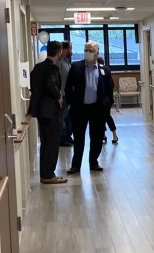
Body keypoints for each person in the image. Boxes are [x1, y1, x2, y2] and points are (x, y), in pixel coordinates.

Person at [64, 41, 114, 173]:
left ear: (97, 53)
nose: (87, 53)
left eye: (90, 50)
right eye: (86, 50)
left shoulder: (105, 70)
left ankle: (93, 162)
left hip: (98, 110)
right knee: (79, 138)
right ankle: (76, 165)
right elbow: (68, 88)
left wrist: (107, 106)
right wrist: (70, 104)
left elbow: (110, 90)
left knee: (97, 138)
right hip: (79, 109)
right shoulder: (76, 67)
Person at [27, 40, 67, 184]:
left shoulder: (37, 67)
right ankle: (49, 175)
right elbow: (51, 83)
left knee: (45, 142)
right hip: (50, 111)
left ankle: (45, 174)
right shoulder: (53, 68)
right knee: (52, 143)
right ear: (59, 52)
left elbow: (32, 84)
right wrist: (58, 96)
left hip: (40, 111)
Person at [97, 56, 118, 144]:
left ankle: (110, 135)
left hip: (104, 99)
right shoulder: (105, 70)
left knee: (104, 117)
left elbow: (109, 86)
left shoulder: (103, 71)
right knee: (104, 117)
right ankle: (108, 134)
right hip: (105, 99)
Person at [57, 41, 74, 146]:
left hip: (68, 95)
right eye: (69, 49)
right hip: (62, 95)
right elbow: (57, 80)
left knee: (68, 118)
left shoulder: (67, 62)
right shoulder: (59, 63)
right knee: (62, 117)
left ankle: (68, 136)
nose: (71, 51)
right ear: (63, 50)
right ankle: (62, 139)